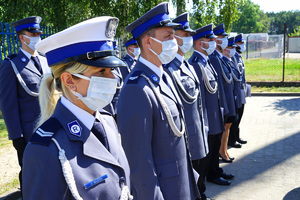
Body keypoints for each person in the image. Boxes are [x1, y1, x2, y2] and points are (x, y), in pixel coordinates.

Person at [22, 16, 132, 200]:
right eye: (101, 71)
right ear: (69, 81)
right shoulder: (45, 149)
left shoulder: (107, 122)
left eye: (112, 70)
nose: (113, 79)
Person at [117, 2, 199, 200]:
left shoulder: (161, 75)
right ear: (147, 43)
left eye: (173, 35)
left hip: (180, 185)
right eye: (168, 36)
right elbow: (139, 163)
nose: (175, 42)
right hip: (164, 192)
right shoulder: (136, 89)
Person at [0, 16, 51, 193]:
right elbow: (8, 104)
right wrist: (17, 136)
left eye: (39, 33)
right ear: (22, 37)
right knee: (31, 174)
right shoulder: (11, 65)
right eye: (33, 33)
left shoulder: (46, 61)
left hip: (51, 126)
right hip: (29, 132)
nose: (38, 37)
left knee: (51, 171)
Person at [163, 12, 210, 200]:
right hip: (187, 139)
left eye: (191, 35)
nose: (190, 39)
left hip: (198, 135)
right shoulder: (168, 68)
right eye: (186, 35)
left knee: (199, 181)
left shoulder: (186, 64)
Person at [188, 24, 234, 186]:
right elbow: (198, 98)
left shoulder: (205, 61)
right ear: (201, 43)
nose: (215, 43)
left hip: (215, 115)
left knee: (214, 150)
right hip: (208, 119)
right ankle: (202, 184)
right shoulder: (195, 63)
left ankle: (214, 172)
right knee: (205, 156)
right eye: (211, 40)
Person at [209, 23, 236, 163]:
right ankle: (222, 152)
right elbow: (218, 85)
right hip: (222, 102)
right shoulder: (214, 57)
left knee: (228, 126)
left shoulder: (219, 57)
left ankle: (223, 150)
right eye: (222, 37)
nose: (225, 40)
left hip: (228, 99)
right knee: (222, 131)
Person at [222, 37, 244, 149]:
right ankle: (227, 145)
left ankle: (233, 139)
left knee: (235, 120)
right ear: (225, 49)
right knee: (229, 124)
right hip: (230, 96)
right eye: (231, 47)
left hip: (236, 93)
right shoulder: (224, 61)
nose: (233, 49)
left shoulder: (231, 60)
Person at [229, 33, 248, 145]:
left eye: (242, 43)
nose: (242, 45)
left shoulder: (238, 56)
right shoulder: (233, 57)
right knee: (235, 117)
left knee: (240, 115)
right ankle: (232, 139)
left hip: (241, 90)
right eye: (240, 43)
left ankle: (236, 136)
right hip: (236, 91)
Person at [103, 40, 123, 121]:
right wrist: (111, 114)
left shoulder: (116, 68)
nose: (117, 55)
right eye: (115, 53)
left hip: (118, 108)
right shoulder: (107, 70)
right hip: (109, 110)